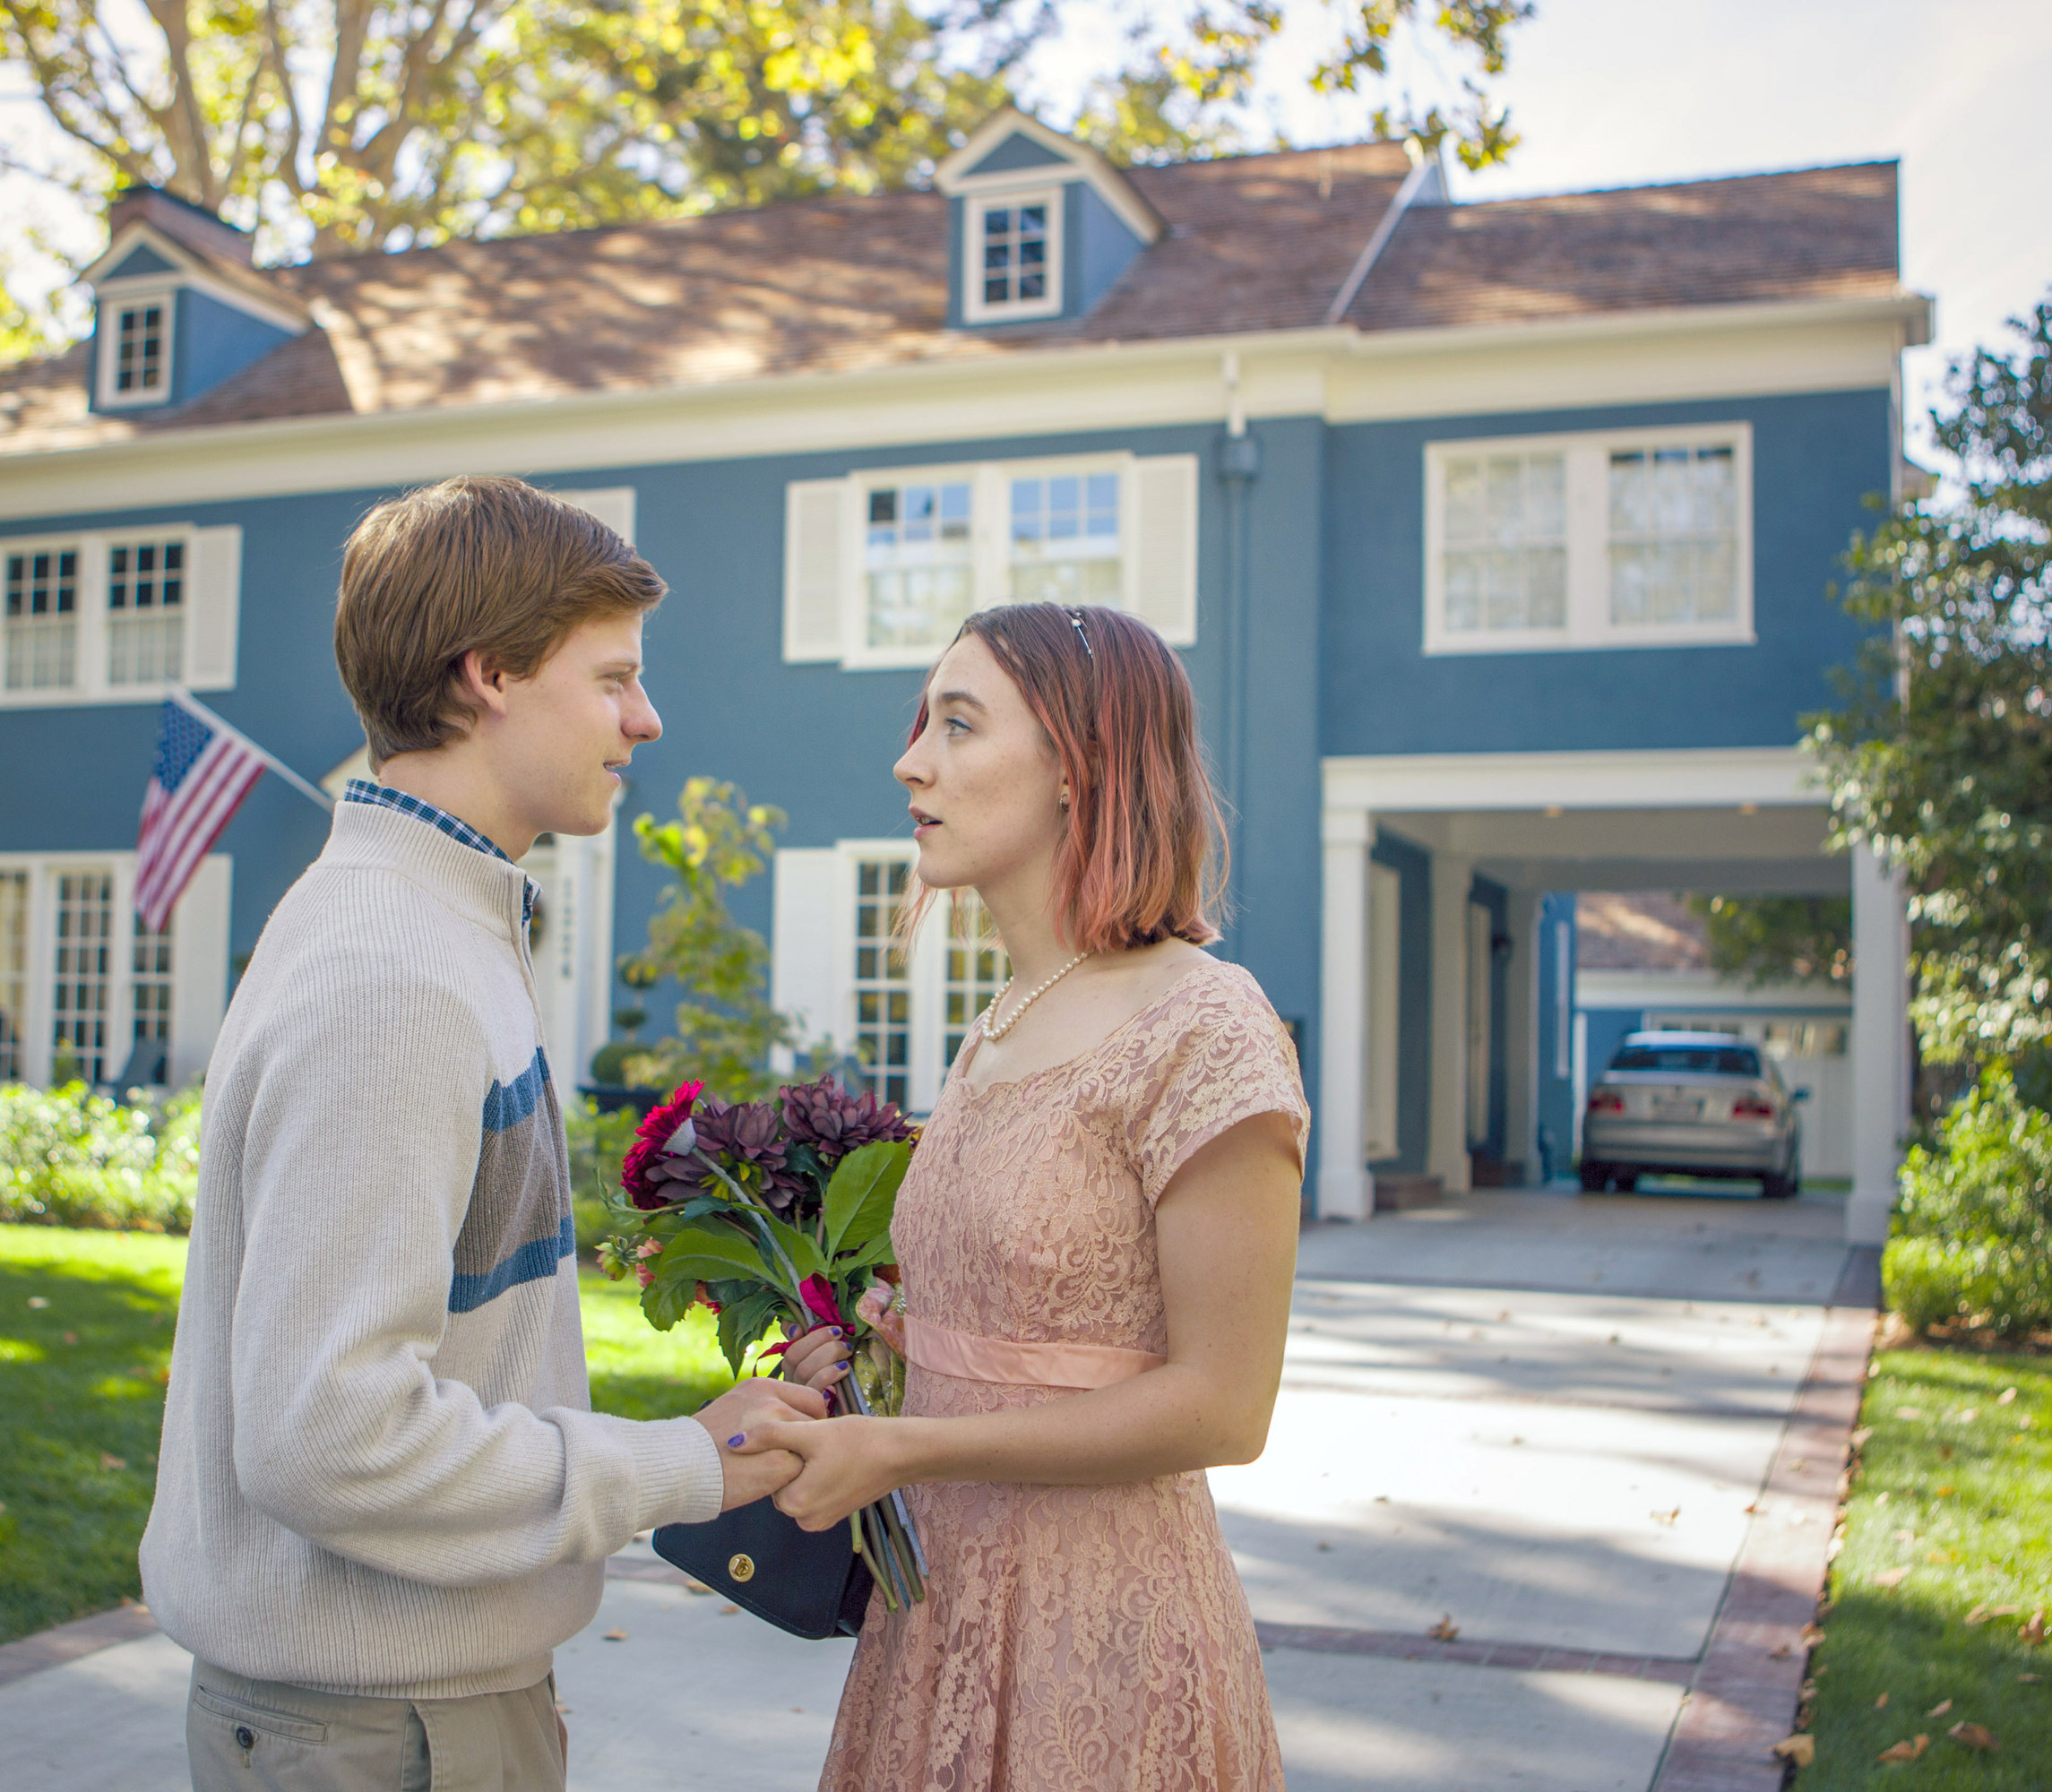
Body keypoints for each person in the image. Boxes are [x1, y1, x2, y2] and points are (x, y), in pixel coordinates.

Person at [140, 476, 822, 1792]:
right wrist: (682, 1464)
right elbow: (329, 1433)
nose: (646, 718)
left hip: (416, 1706)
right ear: (491, 674)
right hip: (378, 1728)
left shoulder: (438, 930)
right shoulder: (390, 974)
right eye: (613, 676)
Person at [763, 601, 1308, 1792]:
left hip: (1103, 1640)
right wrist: (865, 1371)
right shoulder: (998, 1024)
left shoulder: (1206, 1026)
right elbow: (1022, 1336)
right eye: (924, 724)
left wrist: (905, 1445)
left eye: (958, 724)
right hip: (934, 1609)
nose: (912, 759)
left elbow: (1225, 1407)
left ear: (1083, 766)